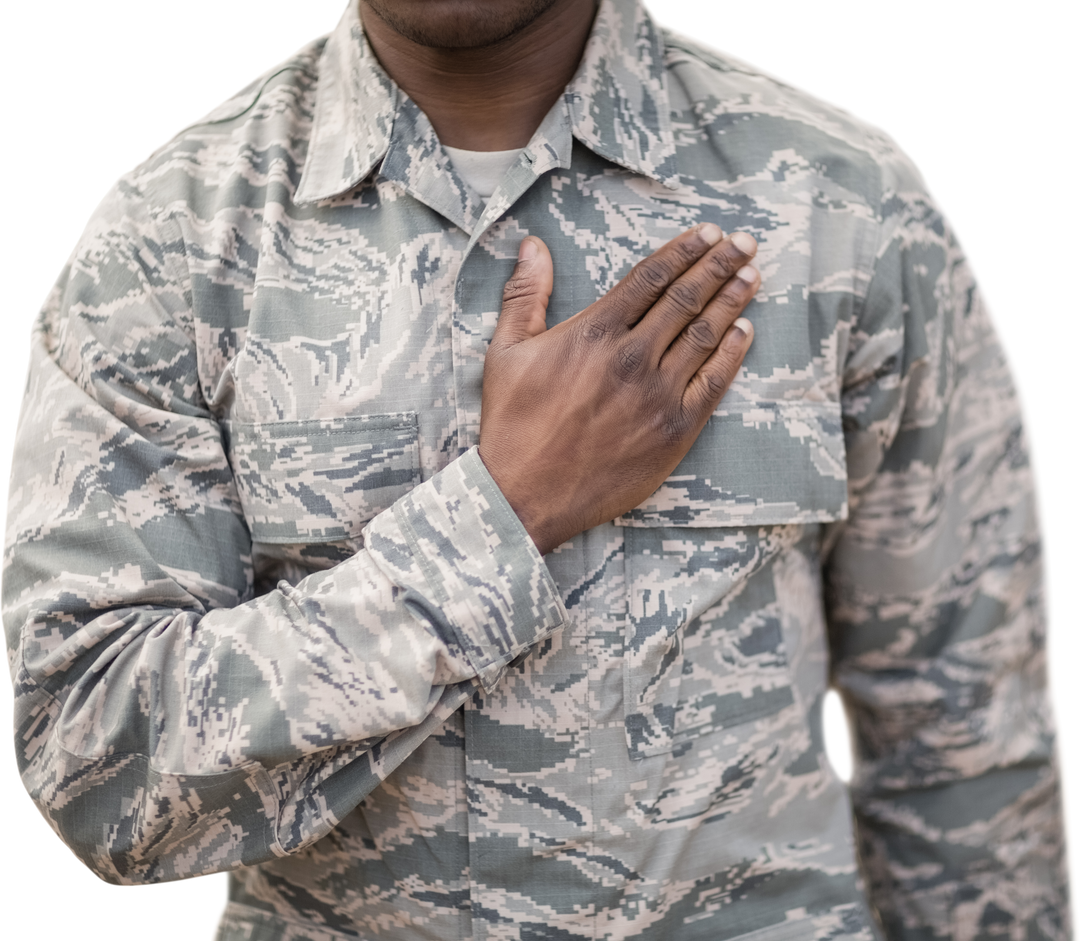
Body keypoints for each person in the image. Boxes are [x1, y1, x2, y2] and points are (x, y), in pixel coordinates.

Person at [2, 0, 1073, 938]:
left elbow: (967, 746)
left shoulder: (848, 208)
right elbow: (99, 768)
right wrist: (501, 516)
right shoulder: (163, 248)